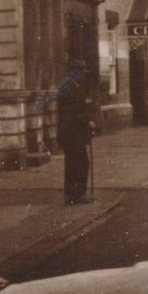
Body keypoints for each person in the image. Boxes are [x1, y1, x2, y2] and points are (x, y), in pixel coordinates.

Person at [57, 66, 97, 205]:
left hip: (70, 133)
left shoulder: (70, 88)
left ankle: (71, 195)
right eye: (80, 73)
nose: (83, 76)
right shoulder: (70, 90)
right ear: (74, 73)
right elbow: (74, 114)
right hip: (72, 134)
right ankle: (78, 195)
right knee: (80, 164)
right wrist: (88, 122)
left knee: (73, 164)